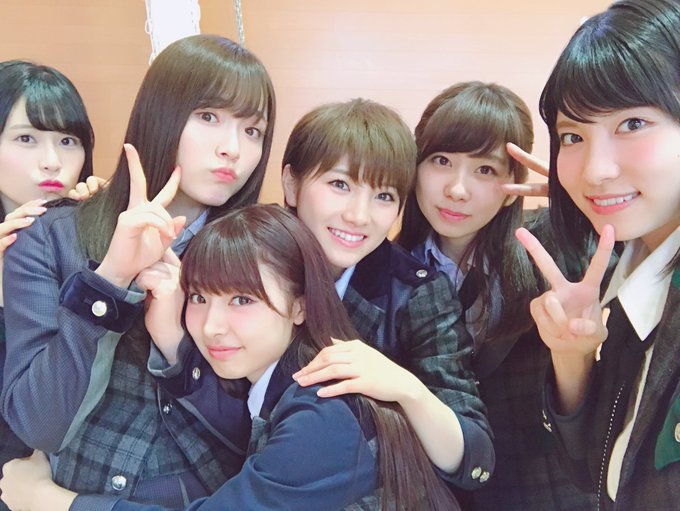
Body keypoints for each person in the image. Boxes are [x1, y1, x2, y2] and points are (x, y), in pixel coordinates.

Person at [1, 204, 463, 511]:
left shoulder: (323, 414)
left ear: (300, 306)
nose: (212, 326)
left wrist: (49, 502)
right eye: (200, 298)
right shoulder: (287, 383)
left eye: (242, 300)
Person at [1, 35, 275, 507]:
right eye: (209, 117)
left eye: (253, 130)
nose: (232, 148)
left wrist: (176, 345)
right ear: (160, 113)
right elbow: (38, 425)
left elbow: (256, 434)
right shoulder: (51, 236)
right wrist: (108, 280)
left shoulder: (264, 255)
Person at [396, 81, 596, 510]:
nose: (457, 189)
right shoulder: (387, 273)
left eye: (485, 170)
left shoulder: (556, 247)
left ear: (513, 185)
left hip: (549, 491)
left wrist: (586, 208)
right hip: (438, 494)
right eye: (441, 161)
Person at [513, 0, 680, 508]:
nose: (594, 170)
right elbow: (594, 469)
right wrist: (573, 357)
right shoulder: (627, 268)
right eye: (573, 136)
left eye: (633, 124)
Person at [283, 98, 494, 496]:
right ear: (292, 184)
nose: (359, 216)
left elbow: (474, 456)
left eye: (383, 196)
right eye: (340, 185)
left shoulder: (416, 292)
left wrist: (406, 388)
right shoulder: (249, 261)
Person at [0, 60, 97, 511]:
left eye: (67, 141)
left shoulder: (88, 230)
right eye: (26, 139)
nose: (53, 161)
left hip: (68, 476)